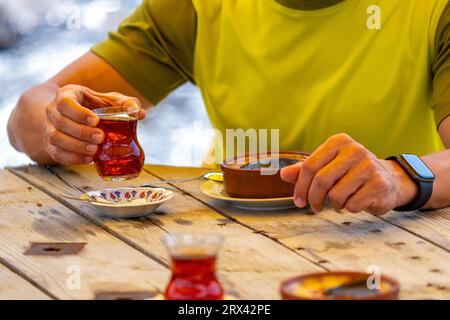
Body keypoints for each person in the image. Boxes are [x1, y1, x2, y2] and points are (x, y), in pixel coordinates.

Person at [7, 0, 450, 214]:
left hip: (382, 239)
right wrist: (56, 126)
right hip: (221, 232)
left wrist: (397, 177)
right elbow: (27, 112)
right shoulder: (197, 7)